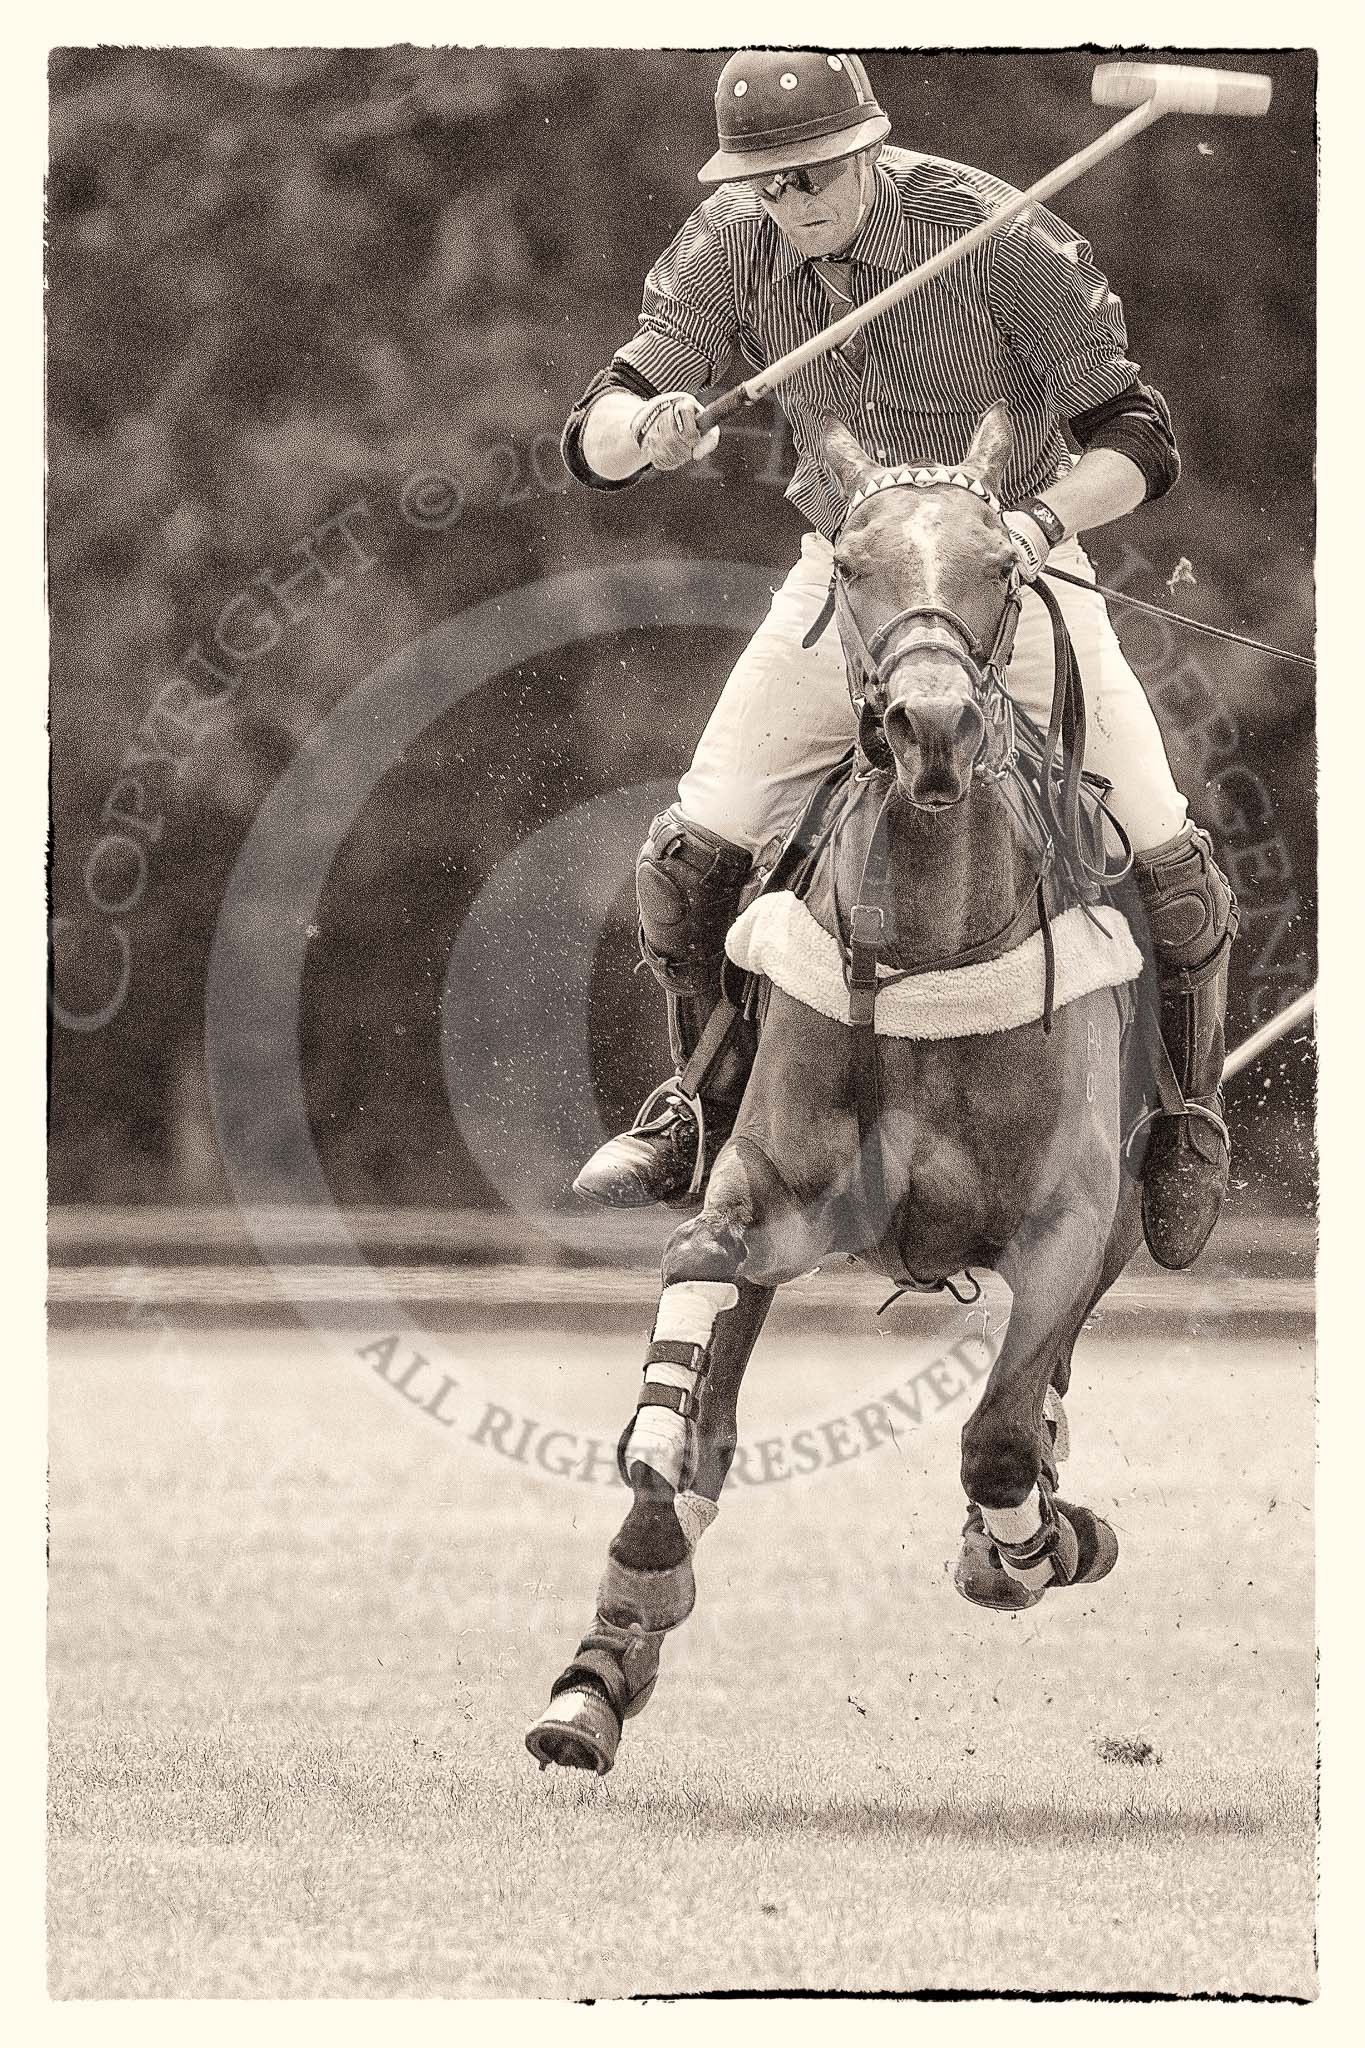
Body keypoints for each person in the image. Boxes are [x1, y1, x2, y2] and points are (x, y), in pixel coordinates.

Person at [560, 48, 1237, 1272]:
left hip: (1012, 573)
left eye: (815, 174)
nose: (793, 202)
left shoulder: (992, 231)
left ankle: (1186, 1122)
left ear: (870, 146)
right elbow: (600, 420)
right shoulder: (730, 239)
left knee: (1167, 852)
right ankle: (694, 1109)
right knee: (689, 850)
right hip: (853, 578)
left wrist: (1032, 528)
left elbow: (1141, 437)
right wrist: (643, 432)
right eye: (768, 182)